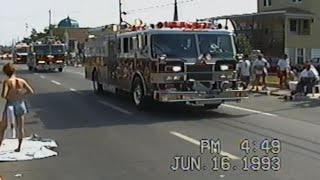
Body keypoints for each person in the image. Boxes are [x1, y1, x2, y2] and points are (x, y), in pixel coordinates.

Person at [0, 63, 34, 152]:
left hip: (10, 104)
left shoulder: (7, 82)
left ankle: (0, 144)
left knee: (3, 126)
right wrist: (21, 95)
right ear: (14, 71)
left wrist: (9, 96)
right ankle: (19, 147)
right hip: (20, 103)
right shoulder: (21, 81)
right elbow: (30, 91)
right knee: (20, 127)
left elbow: (3, 95)